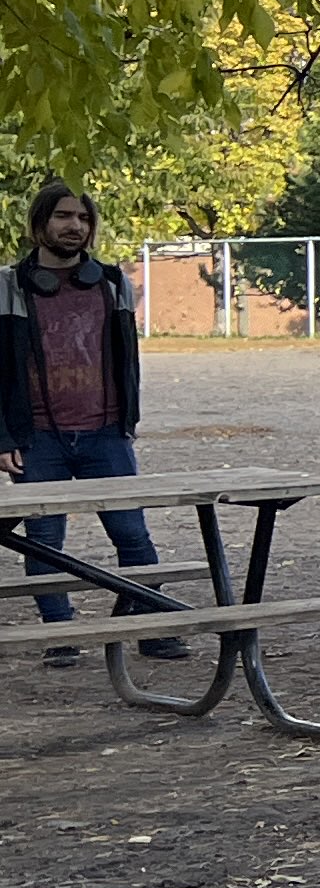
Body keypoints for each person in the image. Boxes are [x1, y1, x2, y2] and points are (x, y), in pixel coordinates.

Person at [0, 186, 187, 667]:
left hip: (106, 434)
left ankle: (151, 627)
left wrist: (128, 420)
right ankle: (60, 634)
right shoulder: (7, 286)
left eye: (83, 218)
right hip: (36, 437)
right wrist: (1, 438)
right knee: (45, 540)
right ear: (40, 223)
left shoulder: (110, 281)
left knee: (132, 534)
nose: (74, 226)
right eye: (63, 216)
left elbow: (128, 359)